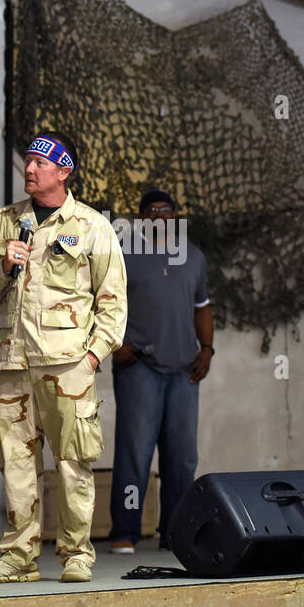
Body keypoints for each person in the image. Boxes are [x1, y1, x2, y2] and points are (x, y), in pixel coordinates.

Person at [0, 133, 127, 583]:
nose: (30, 170)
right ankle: (19, 557)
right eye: (28, 162)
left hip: (68, 364)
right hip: (14, 363)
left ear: (64, 171)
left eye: (40, 163)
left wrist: (92, 358)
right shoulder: (5, 222)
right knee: (15, 459)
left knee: (73, 458)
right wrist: (3, 264)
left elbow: (113, 303)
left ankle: (77, 553)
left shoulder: (92, 226)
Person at [108, 189, 213, 554]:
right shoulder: (124, 255)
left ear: (174, 215)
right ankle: (125, 531)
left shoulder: (194, 257)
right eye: (151, 211)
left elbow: (203, 307)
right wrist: (114, 344)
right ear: (141, 219)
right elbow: (102, 302)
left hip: (184, 370)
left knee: (182, 457)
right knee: (134, 452)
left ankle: (177, 533)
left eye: (166, 211)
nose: (159, 216)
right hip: (140, 366)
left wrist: (208, 349)